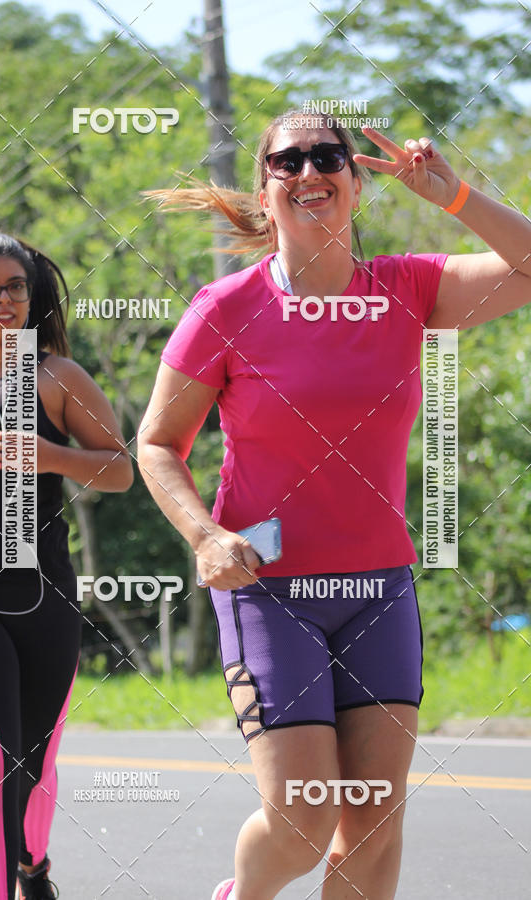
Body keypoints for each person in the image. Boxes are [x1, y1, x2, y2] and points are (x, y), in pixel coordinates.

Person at [137, 110, 531, 900]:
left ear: (357, 183)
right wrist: (204, 533)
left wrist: (455, 196)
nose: (309, 169)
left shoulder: (408, 289)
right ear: (265, 189)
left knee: (375, 824)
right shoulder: (225, 309)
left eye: (329, 156)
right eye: (289, 160)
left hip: (378, 587)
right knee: (300, 822)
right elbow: (155, 444)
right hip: (268, 587)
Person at [0, 230, 133, 900]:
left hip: (41, 591)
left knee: (34, 761)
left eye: (14, 285)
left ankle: (32, 865)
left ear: (29, 294)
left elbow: (120, 471)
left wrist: (53, 458)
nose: (1, 298)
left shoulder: (52, 375)